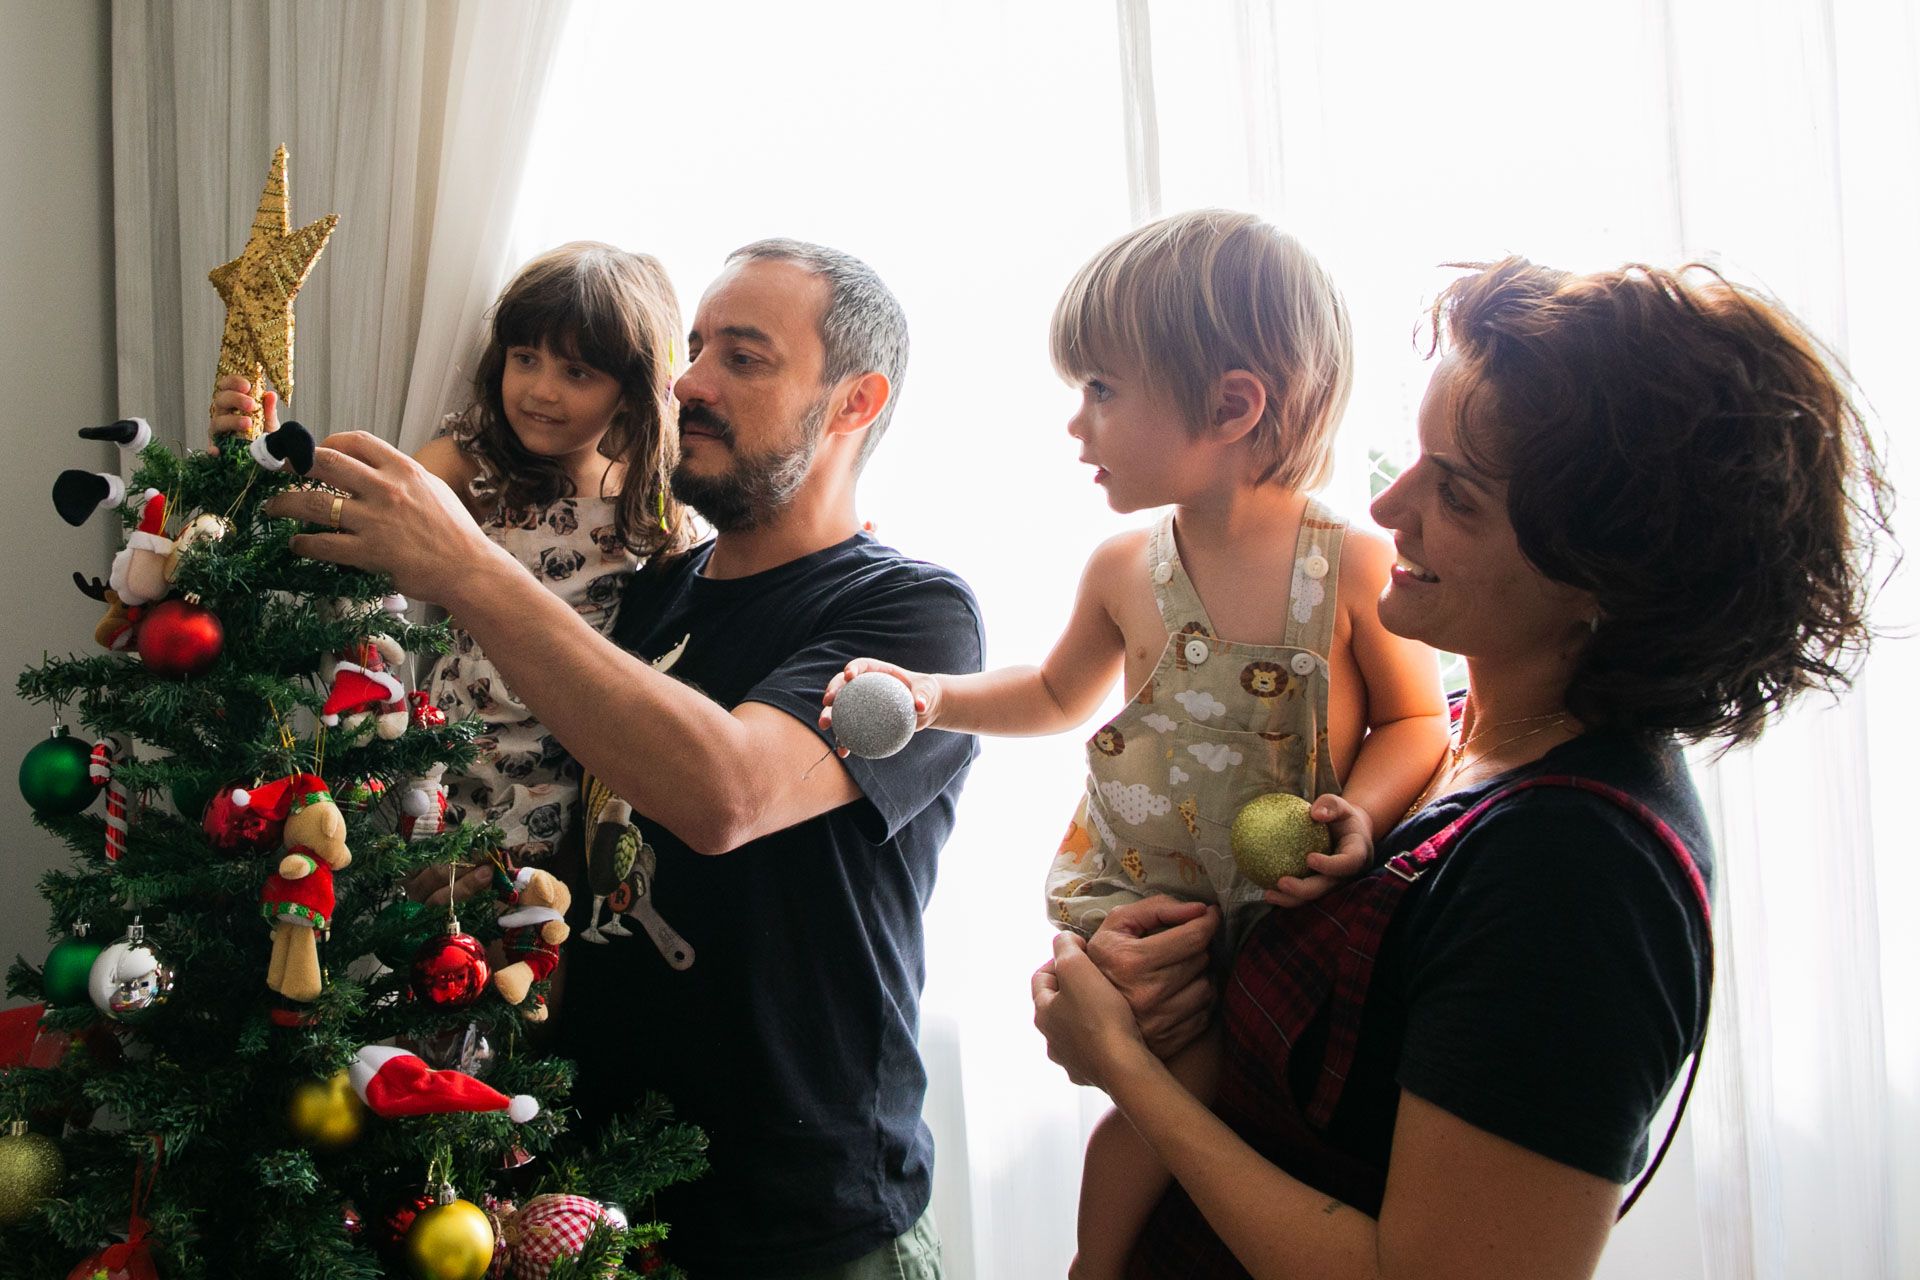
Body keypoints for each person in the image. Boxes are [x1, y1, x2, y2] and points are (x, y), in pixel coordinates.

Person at [1031, 257, 1892, 1279]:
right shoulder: (1436, 740)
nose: (1389, 505)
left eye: (1460, 494)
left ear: (1599, 581)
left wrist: (1131, 1071)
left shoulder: (1576, 874)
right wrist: (1157, 969)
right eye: (1418, 456)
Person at [260, 239, 983, 1279]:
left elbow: (723, 792)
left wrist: (464, 562)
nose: (690, 381)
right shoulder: (645, 593)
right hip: (585, 1194)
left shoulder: (912, 616)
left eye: (745, 356)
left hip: (794, 1220)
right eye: (693, 349)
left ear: (853, 403)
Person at [821, 210, 1448, 1277]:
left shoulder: (1349, 563)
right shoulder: (1123, 568)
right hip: (1142, 895)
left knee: (1224, 1112)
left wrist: (1366, 811)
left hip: (1287, 905)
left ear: (1232, 403)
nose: (1078, 425)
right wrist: (931, 695)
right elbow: (1057, 693)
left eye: (1103, 391)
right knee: (1162, 1101)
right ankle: (1094, 1267)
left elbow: (1417, 719)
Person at [220, 242, 693, 867]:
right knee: (420, 901)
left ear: (630, 391)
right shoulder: (479, 459)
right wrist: (263, 450)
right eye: (526, 359)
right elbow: (358, 509)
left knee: (521, 936)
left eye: (577, 373)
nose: (541, 391)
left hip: (561, 774)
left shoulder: (645, 496)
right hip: (446, 747)